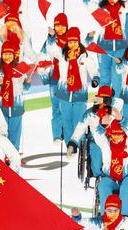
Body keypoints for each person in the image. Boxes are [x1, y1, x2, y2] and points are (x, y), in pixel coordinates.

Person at [47, 27, 100, 147]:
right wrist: (51, 37)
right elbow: (51, 48)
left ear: (78, 42)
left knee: (78, 121)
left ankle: (78, 144)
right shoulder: (62, 54)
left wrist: (95, 80)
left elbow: (94, 72)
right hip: (64, 95)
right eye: (70, 42)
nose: (72, 44)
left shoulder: (84, 57)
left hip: (79, 96)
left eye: (75, 42)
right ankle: (69, 145)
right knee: (66, 122)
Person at [82, 0, 128, 93]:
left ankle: (117, 104)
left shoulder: (123, 7)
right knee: (105, 76)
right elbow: (86, 2)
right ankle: (103, 103)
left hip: (120, 48)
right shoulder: (101, 8)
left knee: (117, 77)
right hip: (104, 48)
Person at [91, 120, 128, 217]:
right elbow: (98, 136)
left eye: (119, 135)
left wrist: (123, 121)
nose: (117, 138)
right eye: (114, 135)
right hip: (109, 177)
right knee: (103, 186)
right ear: (110, 134)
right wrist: (102, 125)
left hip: (126, 177)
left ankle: (125, 216)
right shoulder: (105, 144)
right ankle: (105, 216)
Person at [0, 40, 30, 150]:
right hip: (1, 110)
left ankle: (14, 161)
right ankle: (1, 161)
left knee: (15, 139)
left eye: (10, 54)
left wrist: (27, 83)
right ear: (1, 55)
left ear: (14, 55)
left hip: (16, 109)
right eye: (5, 54)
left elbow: (25, 89)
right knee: (1, 138)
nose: (7, 56)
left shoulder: (20, 69)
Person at [39, 13, 69, 144]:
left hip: (68, 80)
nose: (59, 29)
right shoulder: (49, 41)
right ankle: (57, 134)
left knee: (67, 107)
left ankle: (68, 133)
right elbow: (42, 58)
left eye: (62, 26)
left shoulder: (71, 40)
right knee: (56, 106)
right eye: (57, 26)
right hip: (54, 79)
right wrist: (45, 74)